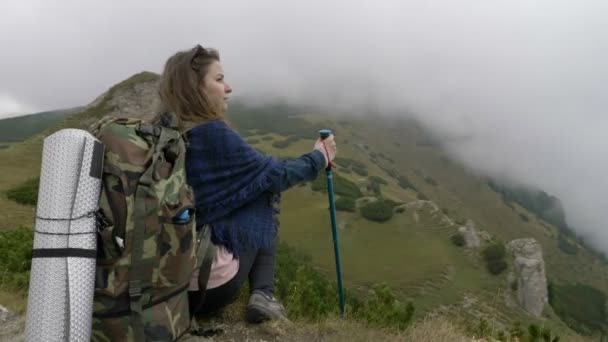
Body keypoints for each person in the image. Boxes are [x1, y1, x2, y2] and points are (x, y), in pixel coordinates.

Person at [154, 44, 337, 323]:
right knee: (265, 190)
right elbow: (276, 175)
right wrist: (319, 157)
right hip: (203, 289)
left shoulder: (159, 130)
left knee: (254, 186)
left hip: (157, 283)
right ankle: (264, 293)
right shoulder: (212, 134)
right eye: (218, 79)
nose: (228, 87)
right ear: (194, 88)